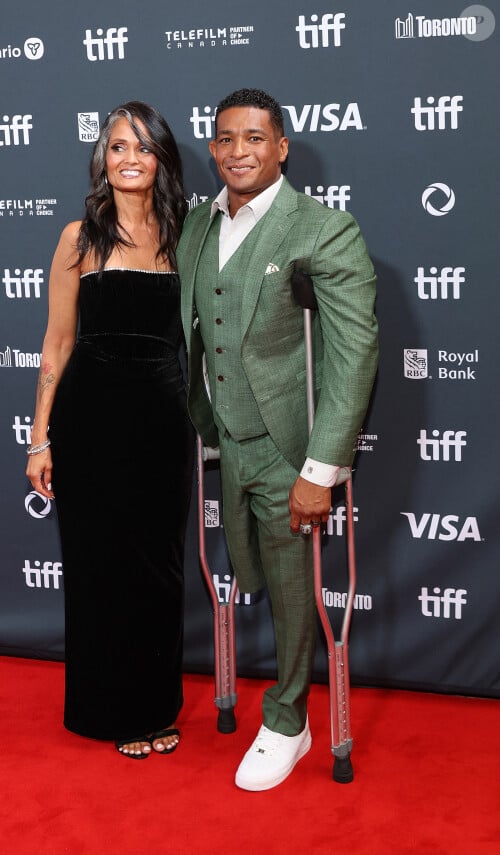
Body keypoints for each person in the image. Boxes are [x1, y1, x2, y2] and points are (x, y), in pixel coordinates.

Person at [177, 88, 378, 790]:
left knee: (295, 586)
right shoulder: (198, 227)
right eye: (227, 138)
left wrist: (320, 469)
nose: (240, 151)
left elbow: (354, 353)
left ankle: (289, 721)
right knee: (244, 568)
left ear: (282, 146)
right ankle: (259, 701)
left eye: (255, 138)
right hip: (221, 435)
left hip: (287, 443)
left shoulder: (324, 228)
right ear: (212, 148)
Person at [26, 101, 194, 760]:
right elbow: (56, 343)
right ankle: (106, 708)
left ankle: (154, 706)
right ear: (103, 158)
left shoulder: (187, 233)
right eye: (117, 146)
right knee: (99, 567)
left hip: (161, 418)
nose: (129, 158)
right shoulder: (79, 237)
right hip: (89, 417)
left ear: (162, 160)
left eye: (143, 148)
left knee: (157, 567)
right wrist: (40, 436)